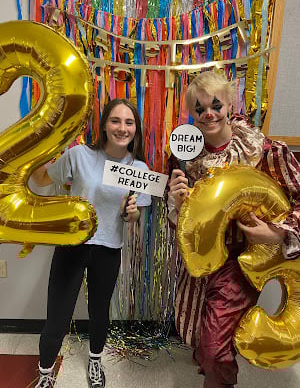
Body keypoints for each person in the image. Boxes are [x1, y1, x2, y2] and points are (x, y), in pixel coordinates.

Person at [167, 71, 300, 388]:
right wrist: (176, 201)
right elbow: (179, 220)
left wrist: (276, 232)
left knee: (214, 349)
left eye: (215, 105)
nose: (209, 114)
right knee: (201, 338)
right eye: (200, 109)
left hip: (241, 260)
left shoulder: (263, 151)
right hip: (199, 262)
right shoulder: (184, 156)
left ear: (230, 103)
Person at [31, 98, 151, 388]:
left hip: (109, 249)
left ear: (136, 128)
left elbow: (132, 218)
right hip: (73, 246)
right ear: (104, 125)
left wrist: (132, 214)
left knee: (100, 312)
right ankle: (45, 374)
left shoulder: (140, 167)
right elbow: (40, 179)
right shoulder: (79, 155)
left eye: (129, 122)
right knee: (57, 316)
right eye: (115, 121)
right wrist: (38, 148)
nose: (122, 128)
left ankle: (96, 360)